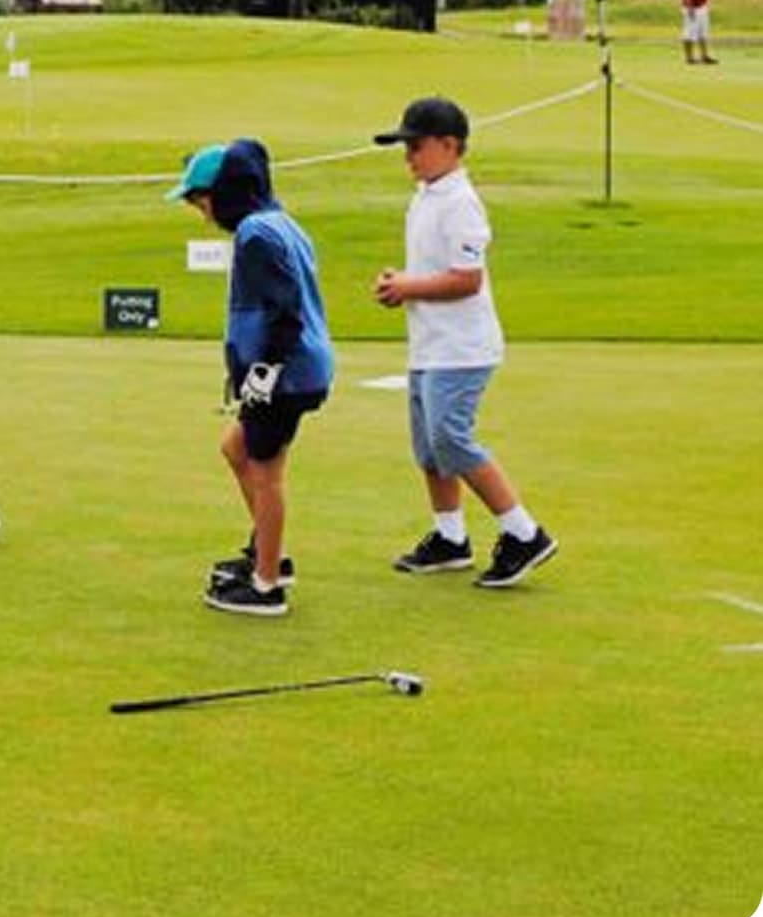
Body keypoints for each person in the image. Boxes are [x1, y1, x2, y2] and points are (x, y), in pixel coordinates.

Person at [372, 97, 557, 589]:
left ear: (449, 146)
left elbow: (466, 279)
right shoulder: (425, 196)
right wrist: (404, 281)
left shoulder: (461, 202)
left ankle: (525, 533)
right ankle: (451, 539)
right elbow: (437, 270)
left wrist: (408, 287)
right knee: (430, 451)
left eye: (415, 145)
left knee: (451, 439)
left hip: (463, 347)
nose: (408, 155)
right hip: (430, 345)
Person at [167, 140, 333, 617]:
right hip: (294, 369)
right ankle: (269, 553)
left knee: (266, 472)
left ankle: (267, 584)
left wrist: (260, 376)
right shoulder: (279, 223)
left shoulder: (256, 235)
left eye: (202, 200)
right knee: (236, 448)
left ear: (229, 192)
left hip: (286, 374)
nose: (202, 213)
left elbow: (284, 314)